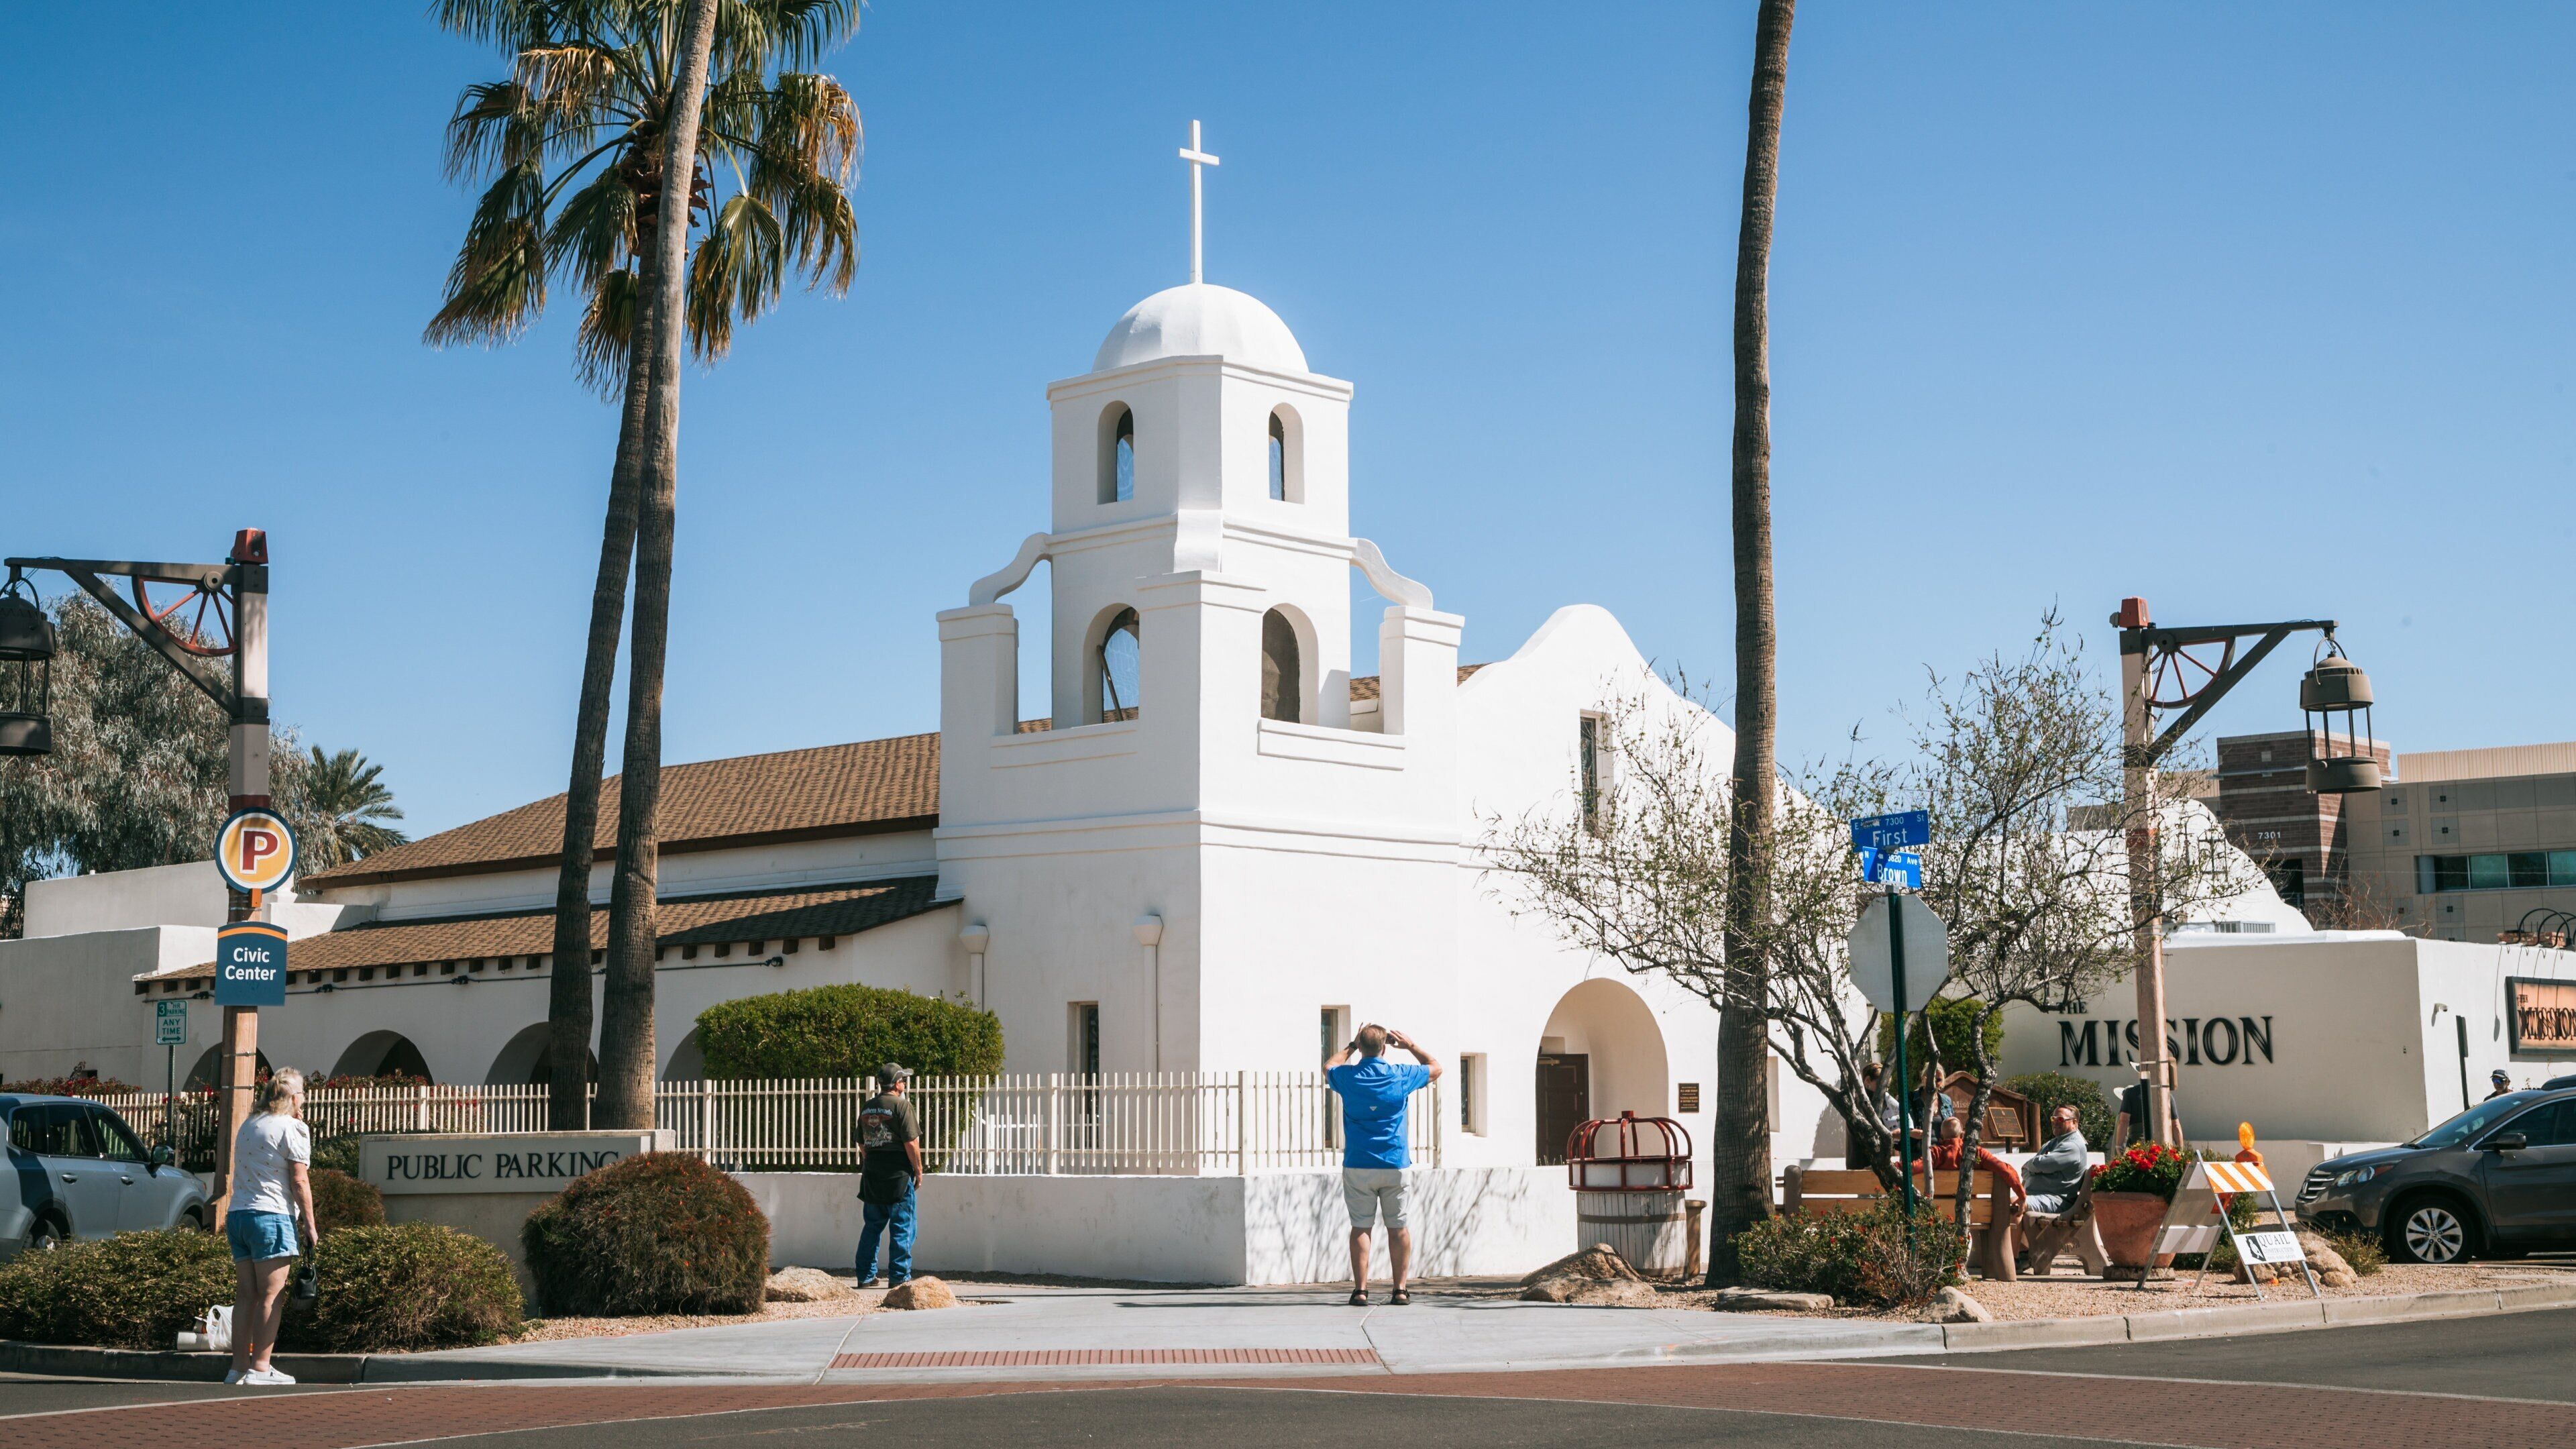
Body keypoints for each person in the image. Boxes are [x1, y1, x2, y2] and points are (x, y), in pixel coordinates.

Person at [1323, 1024, 1441, 1306]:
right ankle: (1400, 1290)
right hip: (1394, 1163)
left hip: (1358, 1164)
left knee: (1361, 1228)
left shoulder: (1348, 1077)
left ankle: (1361, 1290)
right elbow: (1435, 1067)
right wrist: (1411, 1045)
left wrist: (1350, 1047)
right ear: (1385, 1048)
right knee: (1398, 1227)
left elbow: (1328, 1066)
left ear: (1361, 1048)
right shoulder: (1400, 1075)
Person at [226, 1067, 318, 1387]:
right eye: (303, 1094)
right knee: (271, 1295)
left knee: (246, 1296)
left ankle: (238, 1369)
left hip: (238, 1215)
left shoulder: (249, 1125)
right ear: (294, 1098)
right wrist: (310, 1224)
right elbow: (299, 1179)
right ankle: (261, 1369)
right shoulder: (293, 1128)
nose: (304, 1100)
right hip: (272, 1216)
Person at [853, 1062, 923, 1288]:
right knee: (902, 1226)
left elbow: (861, 1142)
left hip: (872, 1174)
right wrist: (919, 1171)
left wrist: (871, 1159)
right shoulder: (902, 1107)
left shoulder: (867, 1107)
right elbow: (911, 1143)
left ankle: (865, 1276)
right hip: (898, 1176)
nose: (905, 1083)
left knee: (872, 1226)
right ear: (896, 1084)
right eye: (903, 1079)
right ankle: (899, 1277)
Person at [1913, 1116, 2026, 1214]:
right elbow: (2005, 1170)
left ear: (1942, 1135)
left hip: (1940, 1214)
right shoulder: (1976, 1153)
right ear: (1962, 1134)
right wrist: (2021, 1196)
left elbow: (1911, 1168)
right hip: (1972, 1213)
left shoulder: (1935, 1154)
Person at [2021, 1105, 2090, 1216]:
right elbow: (2026, 1171)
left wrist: (2032, 1168)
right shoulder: (2052, 1143)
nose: (2056, 1122)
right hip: (2039, 1196)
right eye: (2054, 1118)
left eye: (2061, 1119)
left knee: (2014, 1205)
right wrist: (2033, 1170)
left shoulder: (2073, 1147)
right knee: (2009, 1203)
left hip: (2057, 1201)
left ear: (2074, 1123)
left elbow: (2040, 1164)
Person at [2114, 1073, 2184, 1149]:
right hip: (2162, 1146)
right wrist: (2180, 1149)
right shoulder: (2167, 1096)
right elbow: (2175, 1125)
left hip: (2137, 1145)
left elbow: (2123, 1121)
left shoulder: (2131, 1093)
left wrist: (2119, 1146)